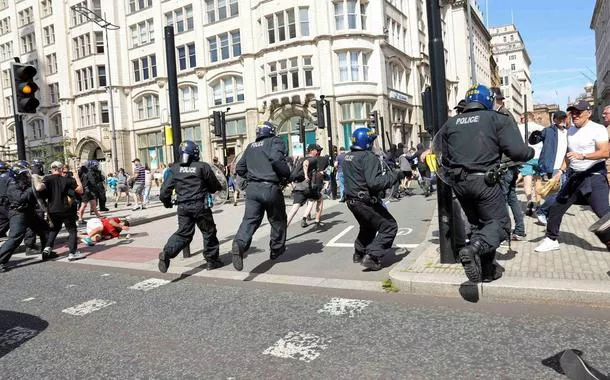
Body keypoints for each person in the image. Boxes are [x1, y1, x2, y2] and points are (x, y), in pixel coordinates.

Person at [438, 84, 534, 283]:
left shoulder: (450, 124)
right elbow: (517, 152)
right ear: (489, 100)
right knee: (499, 225)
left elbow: (443, 157)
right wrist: (530, 152)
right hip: (485, 183)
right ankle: (472, 249)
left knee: (478, 226)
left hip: (460, 184)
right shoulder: (496, 119)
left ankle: (486, 272)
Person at [535, 100, 610, 252]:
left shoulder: (598, 129)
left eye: (579, 112)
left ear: (588, 113)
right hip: (575, 177)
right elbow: (568, 155)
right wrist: (560, 172)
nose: (575, 116)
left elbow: (605, 152)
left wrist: (583, 156)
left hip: (593, 177)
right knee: (556, 206)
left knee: (604, 215)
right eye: (573, 113)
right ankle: (551, 239)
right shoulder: (570, 131)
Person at [231, 121, 291, 271]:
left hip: (252, 189)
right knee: (278, 220)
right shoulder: (275, 141)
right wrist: (286, 174)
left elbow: (239, 168)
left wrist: (252, 177)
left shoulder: (250, 146)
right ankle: (276, 249)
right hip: (270, 187)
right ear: (271, 131)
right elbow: (277, 160)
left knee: (250, 220)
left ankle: (240, 243)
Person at [343, 127, 404, 271]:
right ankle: (372, 256)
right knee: (389, 226)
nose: (373, 145)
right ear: (367, 143)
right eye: (372, 142)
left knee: (368, 226)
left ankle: (359, 252)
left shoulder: (348, 156)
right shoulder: (368, 157)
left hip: (352, 201)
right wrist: (396, 175)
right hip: (364, 201)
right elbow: (374, 183)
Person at [158, 140, 224, 272]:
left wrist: (166, 203)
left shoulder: (174, 169)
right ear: (195, 152)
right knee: (209, 232)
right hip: (200, 206)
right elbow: (214, 186)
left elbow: (164, 191)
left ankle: (167, 253)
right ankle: (212, 261)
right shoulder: (202, 167)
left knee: (183, 233)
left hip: (183, 207)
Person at [0, 162, 52, 272]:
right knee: (15, 238)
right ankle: (1, 260)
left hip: (29, 212)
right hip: (18, 213)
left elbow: (37, 193)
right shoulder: (13, 183)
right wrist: (32, 188)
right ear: (18, 173)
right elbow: (20, 198)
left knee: (44, 229)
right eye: (25, 172)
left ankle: (47, 251)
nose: (28, 174)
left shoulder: (24, 182)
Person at [529, 111, 569, 225]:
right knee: (558, 192)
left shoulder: (568, 132)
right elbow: (533, 141)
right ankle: (542, 211)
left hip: (564, 167)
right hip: (552, 167)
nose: (562, 121)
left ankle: (547, 212)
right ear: (554, 120)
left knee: (560, 193)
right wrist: (534, 135)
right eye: (559, 119)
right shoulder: (548, 131)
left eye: (563, 118)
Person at [41, 161, 86, 261]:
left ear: (52, 169)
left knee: (54, 229)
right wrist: (76, 177)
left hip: (52, 209)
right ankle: (72, 253)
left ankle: (47, 249)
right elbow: (80, 190)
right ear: (61, 169)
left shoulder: (47, 179)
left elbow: (41, 191)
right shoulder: (66, 180)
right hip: (66, 209)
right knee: (72, 230)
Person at [286, 144, 322, 228]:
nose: (318, 152)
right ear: (312, 150)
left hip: (298, 187)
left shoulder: (300, 159)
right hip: (307, 187)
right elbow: (306, 163)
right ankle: (317, 221)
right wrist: (306, 175)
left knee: (293, 210)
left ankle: (282, 231)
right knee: (320, 199)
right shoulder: (313, 159)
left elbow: (295, 172)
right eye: (317, 150)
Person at [518, 112, 545, 216]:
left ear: (525, 118)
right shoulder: (541, 128)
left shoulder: (520, 127)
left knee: (527, 180)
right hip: (539, 156)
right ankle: (538, 204)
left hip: (527, 156)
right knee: (538, 180)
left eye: (521, 118)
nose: (521, 120)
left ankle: (529, 201)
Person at [23, 158, 47, 255]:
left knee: (33, 226)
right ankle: (30, 246)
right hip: (37, 204)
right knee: (35, 226)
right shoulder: (36, 175)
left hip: (35, 204)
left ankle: (31, 245)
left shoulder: (31, 174)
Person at [0, 161, 10, 238]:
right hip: (6, 201)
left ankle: (1, 232)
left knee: (3, 219)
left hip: (2, 201)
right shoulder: (8, 176)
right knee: (11, 217)